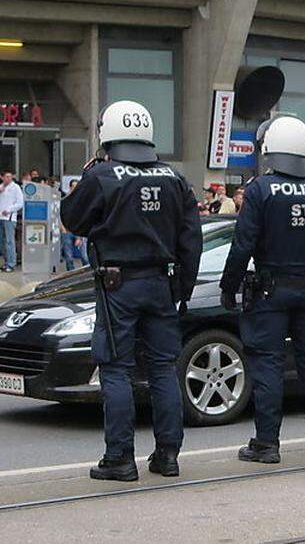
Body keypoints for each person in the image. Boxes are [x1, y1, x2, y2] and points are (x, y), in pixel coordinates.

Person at [61, 100, 202, 481]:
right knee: (162, 368)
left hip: (117, 284)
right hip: (161, 283)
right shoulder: (175, 178)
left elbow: (71, 217)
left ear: (107, 134)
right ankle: (168, 455)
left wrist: (88, 176)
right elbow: (192, 239)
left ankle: (120, 458)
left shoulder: (104, 175)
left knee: (116, 370)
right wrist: (181, 288)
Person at [219, 116, 305, 464]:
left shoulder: (262, 189)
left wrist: (228, 286)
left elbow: (242, 245)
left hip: (269, 292)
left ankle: (267, 443)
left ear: (272, 149)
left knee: (268, 366)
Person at [0, 171, 23, 271]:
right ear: (2, 177)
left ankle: (11, 263)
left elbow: (20, 203)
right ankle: (6, 261)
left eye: (10, 177)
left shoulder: (16, 188)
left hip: (9, 218)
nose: (9, 178)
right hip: (0, 217)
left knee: (10, 241)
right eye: (7, 177)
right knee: (2, 242)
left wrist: (9, 210)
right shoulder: (1, 187)